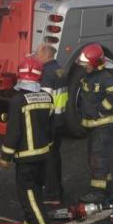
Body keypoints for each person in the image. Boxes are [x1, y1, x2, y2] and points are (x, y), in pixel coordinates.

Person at [0, 56, 54, 224]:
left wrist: (6, 155)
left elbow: (14, 131)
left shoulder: (18, 101)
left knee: (28, 193)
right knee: (36, 190)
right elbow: (50, 125)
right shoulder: (47, 98)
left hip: (26, 157)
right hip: (43, 153)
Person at [76, 43, 113, 203]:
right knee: (98, 157)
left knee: (97, 158)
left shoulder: (106, 78)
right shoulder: (88, 76)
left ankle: (98, 193)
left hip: (103, 124)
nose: (84, 66)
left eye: (86, 63)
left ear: (95, 64)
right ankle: (107, 187)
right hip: (94, 125)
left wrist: (101, 110)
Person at [37, 43, 68, 205]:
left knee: (48, 158)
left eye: (38, 53)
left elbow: (45, 101)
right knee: (55, 156)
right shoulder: (60, 70)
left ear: (45, 54)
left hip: (50, 122)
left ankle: (51, 194)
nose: (37, 56)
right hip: (60, 119)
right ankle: (58, 189)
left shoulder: (47, 73)